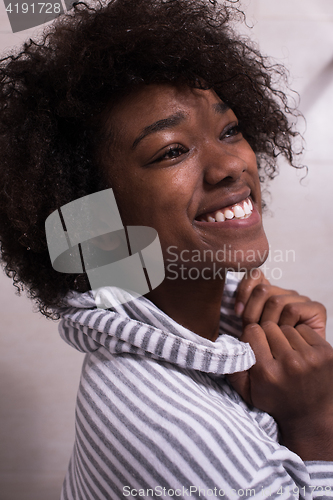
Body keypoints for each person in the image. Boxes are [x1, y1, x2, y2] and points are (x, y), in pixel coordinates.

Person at [0, 0, 332, 498]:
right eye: (172, 151)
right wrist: (315, 421)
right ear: (97, 219)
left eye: (230, 131)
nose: (229, 166)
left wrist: (285, 359)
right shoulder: (173, 432)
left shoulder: (197, 330)